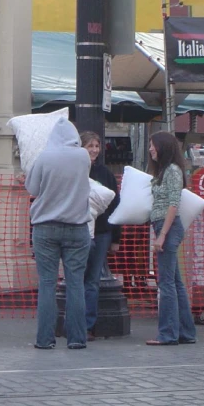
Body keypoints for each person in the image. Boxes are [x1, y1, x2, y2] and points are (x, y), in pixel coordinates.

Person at [26, 117, 92, 350]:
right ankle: (76, 338)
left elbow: (32, 189)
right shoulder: (83, 156)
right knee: (75, 283)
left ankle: (45, 339)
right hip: (77, 226)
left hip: (46, 226)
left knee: (47, 284)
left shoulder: (44, 157)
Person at [145, 131, 197, 346]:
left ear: (163, 147)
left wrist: (162, 236)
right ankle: (185, 332)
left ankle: (168, 334)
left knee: (166, 284)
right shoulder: (167, 171)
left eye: (152, 145)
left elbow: (173, 204)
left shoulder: (172, 171)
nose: (150, 149)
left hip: (167, 227)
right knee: (175, 282)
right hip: (165, 226)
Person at [80, 131, 122, 342]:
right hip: (79, 231)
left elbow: (116, 206)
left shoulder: (105, 173)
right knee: (78, 278)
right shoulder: (75, 170)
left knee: (92, 280)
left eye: (97, 146)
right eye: (90, 146)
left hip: (102, 231)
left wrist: (116, 238)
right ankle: (77, 323)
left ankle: (88, 325)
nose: (94, 150)